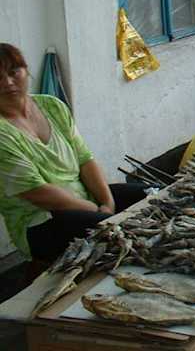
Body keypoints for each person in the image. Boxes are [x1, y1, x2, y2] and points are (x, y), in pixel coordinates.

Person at [0, 43, 148, 262]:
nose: (8, 82)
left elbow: (85, 160)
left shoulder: (52, 105)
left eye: (14, 72)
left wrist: (107, 203)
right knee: (122, 236)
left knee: (152, 196)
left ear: (25, 70)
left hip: (85, 200)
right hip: (42, 220)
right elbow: (39, 193)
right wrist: (98, 212)